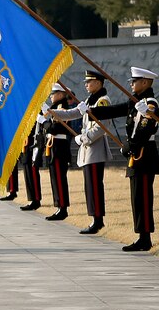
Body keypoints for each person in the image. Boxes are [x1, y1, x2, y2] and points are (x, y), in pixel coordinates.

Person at [84, 66, 158, 251]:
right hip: (135, 153)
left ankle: (145, 237)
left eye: (134, 81)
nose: (131, 84)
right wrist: (90, 111)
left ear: (145, 82)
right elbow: (112, 111)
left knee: (143, 196)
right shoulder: (135, 101)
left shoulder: (150, 103)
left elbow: (147, 127)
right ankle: (142, 236)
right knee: (136, 197)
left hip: (144, 153)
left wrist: (130, 145)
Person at [46, 71, 112, 234]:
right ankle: (94, 219)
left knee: (95, 185)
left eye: (89, 82)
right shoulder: (90, 100)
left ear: (98, 83)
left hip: (95, 148)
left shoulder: (102, 101)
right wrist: (52, 111)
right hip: (88, 149)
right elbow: (72, 113)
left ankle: (98, 220)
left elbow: (102, 127)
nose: (86, 84)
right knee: (89, 186)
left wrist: (84, 138)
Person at [42, 83, 72, 221]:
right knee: (55, 177)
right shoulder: (55, 108)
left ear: (60, 94)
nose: (51, 96)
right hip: (54, 146)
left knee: (59, 177)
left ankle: (62, 208)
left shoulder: (62, 108)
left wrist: (44, 122)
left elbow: (54, 128)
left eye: (53, 94)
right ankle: (59, 206)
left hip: (60, 146)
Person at [19, 118, 44, 211]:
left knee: (33, 172)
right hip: (25, 142)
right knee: (27, 172)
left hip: (34, 143)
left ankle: (36, 199)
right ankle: (31, 199)